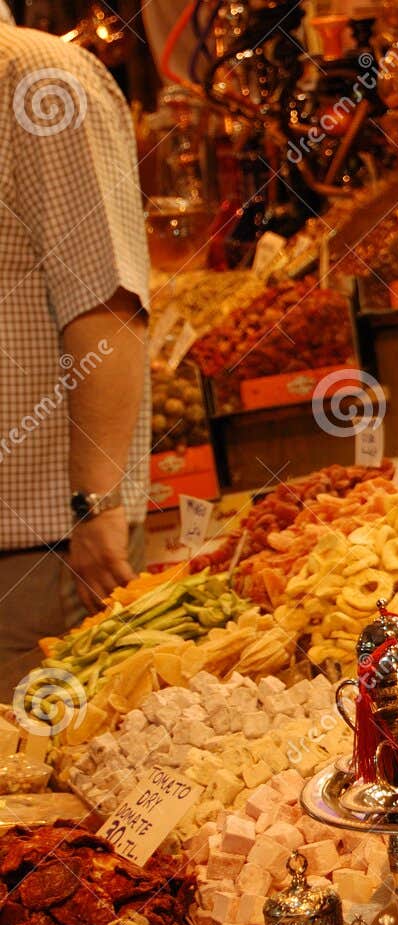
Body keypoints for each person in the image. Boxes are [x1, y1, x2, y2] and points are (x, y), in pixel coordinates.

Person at [0, 4, 150, 698]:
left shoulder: (38, 78)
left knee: (49, 785)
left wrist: (98, 503)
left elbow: (105, 302)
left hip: (41, 546)